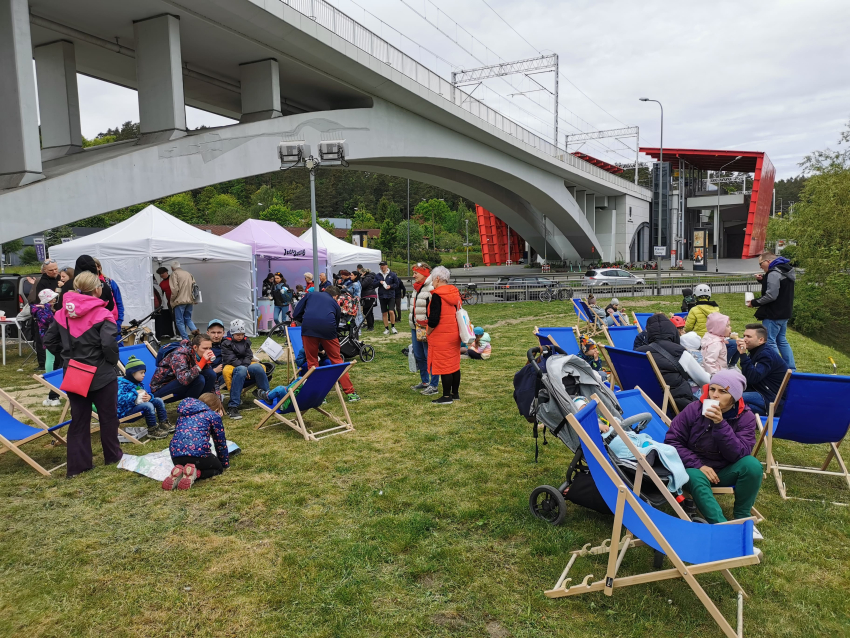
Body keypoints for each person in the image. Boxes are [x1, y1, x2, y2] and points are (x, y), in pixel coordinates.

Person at [43, 270, 123, 478]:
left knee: (78, 420)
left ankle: (78, 466)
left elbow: (49, 340)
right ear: (97, 288)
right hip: (102, 373)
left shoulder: (61, 313)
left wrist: (66, 358)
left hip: (74, 372)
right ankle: (112, 456)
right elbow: (109, 344)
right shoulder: (103, 313)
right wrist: (111, 362)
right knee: (108, 417)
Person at [664, 369, 763, 527]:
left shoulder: (745, 417)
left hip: (724, 470)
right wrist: (698, 465)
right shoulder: (694, 409)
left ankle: (743, 518)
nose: (714, 395)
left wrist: (720, 424)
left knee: (752, 465)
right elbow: (672, 441)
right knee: (695, 476)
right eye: (712, 389)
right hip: (693, 468)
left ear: (735, 396)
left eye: (722, 391)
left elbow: (740, 454)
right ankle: (721, 526)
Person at [291, 285, 360, 401]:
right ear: (336, 296)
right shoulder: (335, 305)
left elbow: (296, 314)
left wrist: (308, 320)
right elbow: (336, 324)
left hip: (308, 329)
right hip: (328, 330)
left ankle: (318, 396)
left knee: (312, 362)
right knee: (337, 361)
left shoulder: (310, 294)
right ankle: (350, 393)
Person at [635, 314, 710, 411]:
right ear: (673, 332)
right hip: (677, 406)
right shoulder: (679, 352)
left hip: (645, 403)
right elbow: (704, 380)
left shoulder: (638, 353)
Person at [163, 393, 229, 491]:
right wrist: (224, 463)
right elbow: (220, 442)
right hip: (199, 456)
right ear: (215, 407)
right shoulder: (212, 415)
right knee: (218, 469)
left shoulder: (183, 415)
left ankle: (180, 470)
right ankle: (196, 473)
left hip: (176, 456)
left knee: (185, 461)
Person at [749, 251, 796, 370]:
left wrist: (754, 302)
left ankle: (778, 368)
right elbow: (780, 288)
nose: (760, 267)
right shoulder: (785, 270)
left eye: (761, 264)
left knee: (769, 341)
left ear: (768, 261)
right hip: (785, 312)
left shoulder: (774, 273)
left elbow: (771, 295)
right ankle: (790, 368)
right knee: (782, 340)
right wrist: (763, 280)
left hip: (773, 314)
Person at [426, 266, 462, 405]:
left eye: (433, 279)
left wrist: (427, 332)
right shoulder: (454, 292)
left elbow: (434, 319)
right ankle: (455, 393)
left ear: (438, 278)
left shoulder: (437, 295)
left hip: (441, 336)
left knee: (445, 367)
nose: (432, 283)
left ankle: (446, 397)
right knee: (454, 365)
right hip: (454, 334)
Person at [221, 319, 271, 419]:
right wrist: (243, 367)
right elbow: (230, 358)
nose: (240, 336)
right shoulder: (226, 343)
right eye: (237, 334)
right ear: (232, 333)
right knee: (241, 370)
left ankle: (266, 395)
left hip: (245, 364)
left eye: (242, 334)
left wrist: (246, 365)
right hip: (232, 366)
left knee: (257, 367)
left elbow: (249, 355)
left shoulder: (246, 341)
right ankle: (233, 406)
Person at [736, 323, 789, 415]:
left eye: (748, 336)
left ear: (761, 340)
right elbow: (748, 376)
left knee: (731, 398)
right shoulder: (756, 351)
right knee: (732, 399)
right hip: (760, 391)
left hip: (772, 397)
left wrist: (743, 355)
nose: (744, 339)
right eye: (744, 336)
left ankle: (768, 414)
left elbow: (753, 378)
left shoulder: (766, 355)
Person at [117, 355, 171, 439]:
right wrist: (135, 392)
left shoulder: (138, 383)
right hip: (125, 412)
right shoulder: (121, 384)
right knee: (148, 406)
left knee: (158, 400)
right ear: (132, 373)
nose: (144, 375)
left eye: (144, 373)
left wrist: (149, 397)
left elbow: (146, 394)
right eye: (141, 373)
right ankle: (152, 430)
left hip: (136, 407)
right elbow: (120, 400)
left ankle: (164, 423)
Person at [151, 333, 218, 401]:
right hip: (162, 388)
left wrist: (218, 402)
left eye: (210, 348)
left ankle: (204, 404)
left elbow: (213, 381)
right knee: (199, 379)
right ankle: (189, 407)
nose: (208, 351)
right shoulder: (179, 354)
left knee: (211, 374)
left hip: (179, 384)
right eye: (205, 348)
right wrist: (201, 363)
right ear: (195, 347)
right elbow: (184, 380)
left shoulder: (199, 355)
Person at [408, 263, 440, 395]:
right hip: (416, 327)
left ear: (425, 274)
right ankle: (425, 381)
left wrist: (429, 325)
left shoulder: (431, 287)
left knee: (430, 356)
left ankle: (434, 385)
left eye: (416, 273)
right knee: (420, 355)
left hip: (427, 328)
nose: (413, 275)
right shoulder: (417, 288)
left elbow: (435, 309)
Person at [26, 259, 62, 370]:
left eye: (56, 269)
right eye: (51, 270)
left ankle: (55, 364)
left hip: (56, 313)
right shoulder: (42, 282)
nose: (54, 271)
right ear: (44, 271)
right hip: (46, 319)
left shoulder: (60, 278)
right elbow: (41, 299)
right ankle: (42, 364)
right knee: (44, 344)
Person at [34, 289, 63, 406]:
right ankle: (49, 378)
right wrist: (47, 308)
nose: (55, 299)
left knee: (54, 359)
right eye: (52, 298)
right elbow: (47, 320)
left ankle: (52, 382)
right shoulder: (40, 309)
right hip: (47, 337)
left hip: (54, 337)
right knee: (50, 358)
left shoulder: (50, 309)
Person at [93, 258, 124, 344]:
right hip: (96, 323)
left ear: (99, 267)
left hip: (113, 321)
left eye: (93, 266)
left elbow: (119, 303)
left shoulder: (110, 282)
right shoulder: (86, 284)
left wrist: (119, 321)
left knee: (117, 348)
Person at [169, 260, 199, 340]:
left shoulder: (174, 274)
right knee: (188, 318)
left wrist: (172, 300)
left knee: (179, 321)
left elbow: (174, 289)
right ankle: (196, 334)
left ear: (172, 267)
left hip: (180, 300)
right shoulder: (189, 274)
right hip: (190, 300)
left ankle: (185, 339)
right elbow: (195, 287)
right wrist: (195, 298)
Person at [375, 261, 399, 334]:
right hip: (382, 296)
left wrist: (390, 286)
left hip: (390, 295)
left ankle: (393, 326)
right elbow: (373, 284)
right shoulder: (378, 275)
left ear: (386, 266)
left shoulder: (392, 274)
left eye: (383, 265)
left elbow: (397, 284)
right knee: (384, 313)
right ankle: (386, 328)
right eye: (381, 265)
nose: (382, 267)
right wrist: (379, 282)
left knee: (391, 311)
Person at [206, 318, 227, 387]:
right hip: (217, 378)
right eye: (213, 332)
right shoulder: (204, 347)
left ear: (223, 333)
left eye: (219, 332)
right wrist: (214, 370)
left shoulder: (229, 344)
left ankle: (260, 391)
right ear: (208, 333)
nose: (216, 336)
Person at [155, 267, 174, 339]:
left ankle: (178, 334)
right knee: (173, 319)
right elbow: (161, 295)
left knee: (177, 319)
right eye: (160, 274)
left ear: (167, 272)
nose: (161, 275)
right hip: (169, 303)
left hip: (176, 301)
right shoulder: (161, 284)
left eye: (162, 273)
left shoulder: (173, 280)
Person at [359, 267, 378, 331]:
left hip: (367, 295)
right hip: (371, 295)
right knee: (370, 311)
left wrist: (361, 278)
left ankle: (370, 326)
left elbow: (362, 285)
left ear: (364, 272)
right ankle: (371, 325)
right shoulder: (372, 277)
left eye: (361, 273)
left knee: (366, 311)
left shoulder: (367, 278)